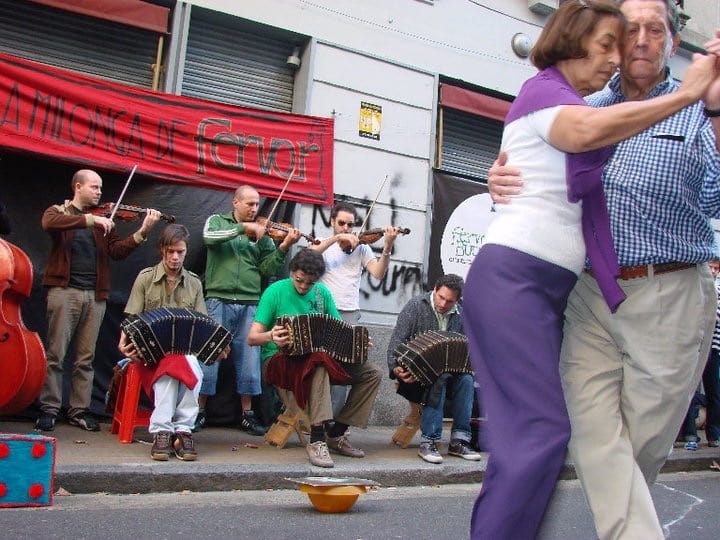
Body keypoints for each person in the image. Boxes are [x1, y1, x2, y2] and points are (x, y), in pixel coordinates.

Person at [461, 1, 720, 538]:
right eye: (625, 33)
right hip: (585, 295)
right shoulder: (580, 99)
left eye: (655, 29)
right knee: (581, 433)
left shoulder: (702, 108)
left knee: (637, 448)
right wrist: (496, 177)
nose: (639, 41)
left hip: (667, 292)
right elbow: (551, 144)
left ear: (675, 41)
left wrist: (712, 111)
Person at [36, 169, 160, 432]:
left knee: (85, 357)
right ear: (78, 187)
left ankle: (78, 410)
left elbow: (117, 252)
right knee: (56, 354)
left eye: (100, 188)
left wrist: (142, 231)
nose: (99, 192)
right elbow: (49, 223)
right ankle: (49, 408)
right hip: (64, 291)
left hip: (95, 296)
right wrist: (91, 222)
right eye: (94, 187)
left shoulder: (104, 219)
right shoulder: (61, 212)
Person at [247, 249, 382, 468]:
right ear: (292, 273)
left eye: (309, 283)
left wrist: (356, 340)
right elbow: (252, 338)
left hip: (317, 358)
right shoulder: (275, 291)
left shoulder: (322, 294)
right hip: (278, 359)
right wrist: (271, 335)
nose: (303, 286)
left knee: (372, 374)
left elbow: (339, 330)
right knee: (319, 364)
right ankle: (317, 439)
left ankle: (336, 433)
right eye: (299, 280)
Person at [198, 185, 301, 435]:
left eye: (256, 205)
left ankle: (247, 414)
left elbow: (267, 269)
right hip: (218, 298)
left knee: (249, 361)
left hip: (249, 302)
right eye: (249, 204)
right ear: (235, 202)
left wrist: (284, 246)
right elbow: (209, 239)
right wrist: (242, 228)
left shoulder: (264, 234)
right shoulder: (217, 221)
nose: (254, 209)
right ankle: (199, 412)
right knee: (210, 356)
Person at [118, 224, 207, 461]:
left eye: (180, 252)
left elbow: (202, 325)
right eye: (170, 252)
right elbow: (131, 319)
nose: (175, 257)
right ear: (162, 250)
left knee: (188, 367)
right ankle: (180, 430)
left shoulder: (195, 283)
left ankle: (165, 432)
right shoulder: (145, 278)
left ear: (186, 252)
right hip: (150, 357)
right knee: (180, 369)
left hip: (183, 354)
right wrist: (123, 342)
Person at [310, 201, 400, 413]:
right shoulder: (323, 243)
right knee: (320, 366)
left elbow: (378, 273)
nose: (346, 229)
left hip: (349, 313)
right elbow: (310, 257)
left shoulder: (362, 248)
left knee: (343, 367)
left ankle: (334, 420)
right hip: (323, 312)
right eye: (341, 224)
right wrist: (336, 239)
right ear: (332, 221)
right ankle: (316, 417)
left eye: (350, 225)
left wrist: (387, 246)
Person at [387, 274, 481, 464]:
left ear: (457, 300)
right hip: (414, 379)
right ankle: (429, 441)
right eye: (441, 297)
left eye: (450, 301)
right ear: (435, 289)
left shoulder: (461, 315)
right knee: (439, 379)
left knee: (466, 380)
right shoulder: (415, 307)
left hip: (448, 377)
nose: (444, 304)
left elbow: (465, 348)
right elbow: (395, 344)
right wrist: (396, 368)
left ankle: (460, 440)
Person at [679, 258, 720, 451]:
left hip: (714, 347)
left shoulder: (716, 293)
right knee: (690, 391)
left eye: (715, 268)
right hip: (693, 345)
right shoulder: (694, 290)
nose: (712, 271)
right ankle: (690, 435)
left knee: (713, 392)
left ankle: (714, 434)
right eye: (710, 267)